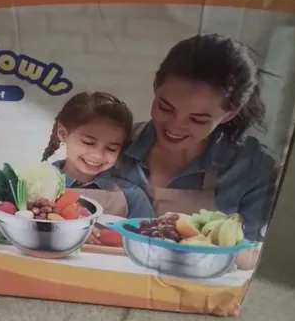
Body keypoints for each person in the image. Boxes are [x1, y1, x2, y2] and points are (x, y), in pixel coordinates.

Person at [115, 34, 279, 247]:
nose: (174, 125)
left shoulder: (255, 169)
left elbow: (251, 257)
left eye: (198, 119)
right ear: (156, 86)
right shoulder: (114, 143)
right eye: (165, 107)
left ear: (229, 113)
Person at [42, 91, 154, 219]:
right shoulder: (31, 186)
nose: (98, 155)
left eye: (111, 149)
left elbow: (145, 237)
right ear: (63, 133)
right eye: (88, 143)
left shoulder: (133, 196)